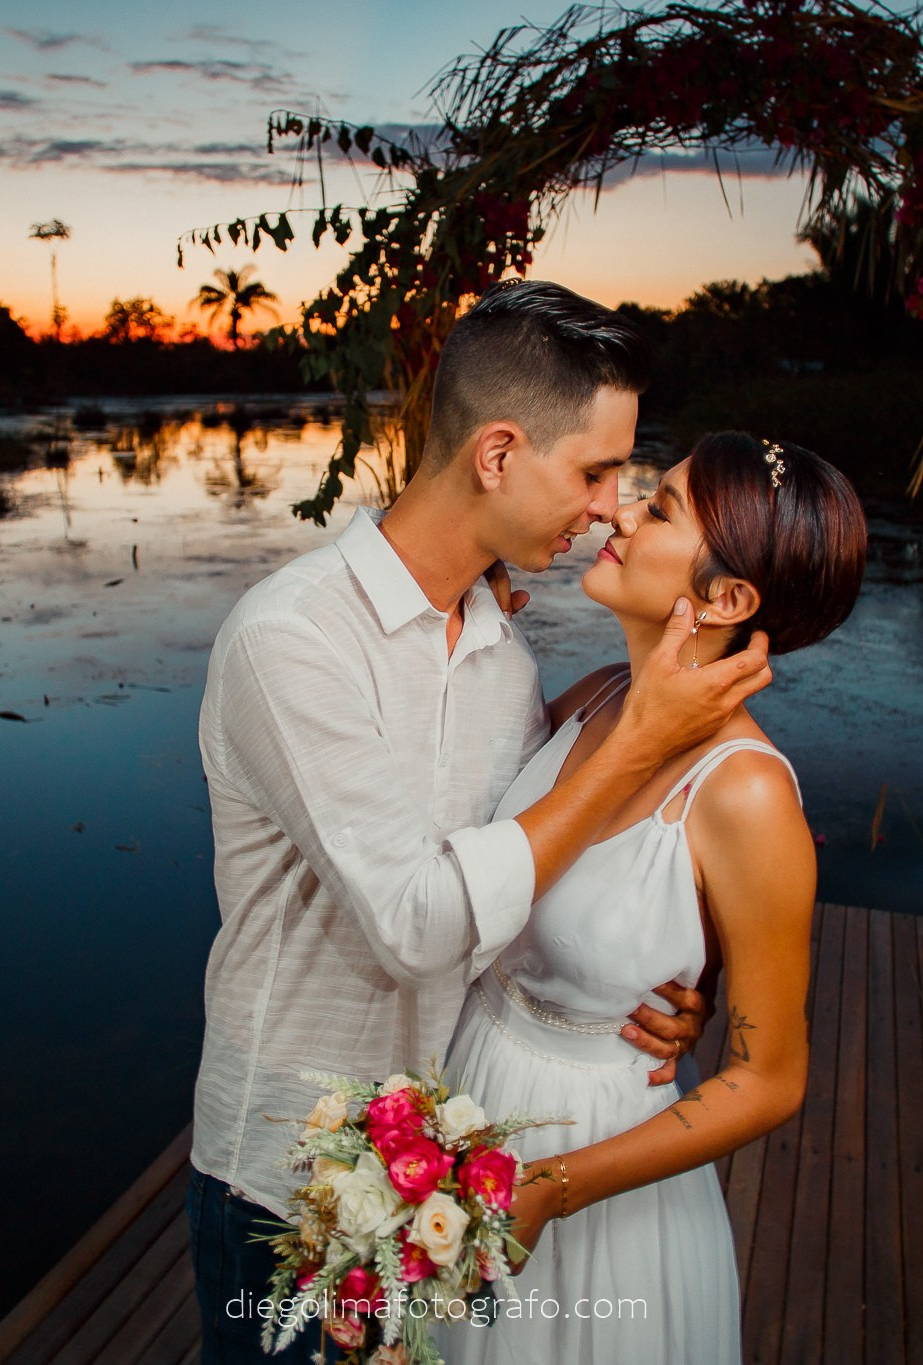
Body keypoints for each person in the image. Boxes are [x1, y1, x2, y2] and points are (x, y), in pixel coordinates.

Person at [188, 282, 773, 1364]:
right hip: (290, 1188)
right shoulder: (292, 641)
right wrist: (637, 745)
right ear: (497, 454)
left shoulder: (508, 658)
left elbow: (528, 873)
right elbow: (417, 923)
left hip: (444, 1174)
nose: (608, 506)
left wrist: (657, 983)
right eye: (594, 472)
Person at [434, 432, 867, 1364]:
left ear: (728, 598)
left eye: (659, 508)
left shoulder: (746, 794)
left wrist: (552, 1185)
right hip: (472, 1089)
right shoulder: (593, 696)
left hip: (593, 1160)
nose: (619, 512)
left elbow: (770, 1077)